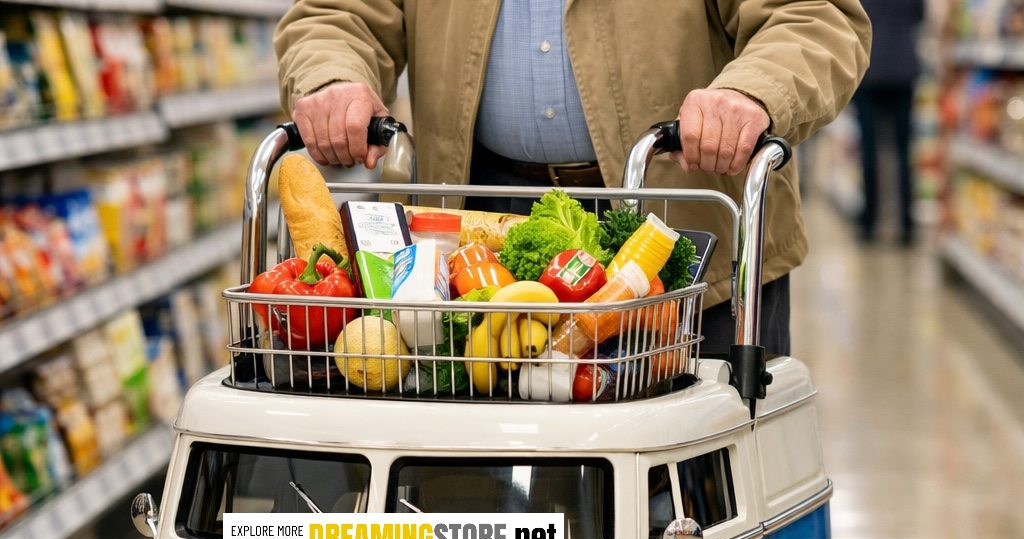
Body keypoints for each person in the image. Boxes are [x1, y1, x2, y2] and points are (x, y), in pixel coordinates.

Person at [274, 2, 871, 358]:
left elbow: (812, 17)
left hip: (684, 228)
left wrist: (751, 91)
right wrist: (330, 77)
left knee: (694, 486)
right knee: (486, 483)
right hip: (479, 228)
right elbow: (337, 14)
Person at [853, 0, 925, 244]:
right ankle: (906, 226)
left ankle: (868, 223)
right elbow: (919, 17)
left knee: (869, 152)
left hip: (869, 70)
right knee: (904, 153)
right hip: (903, 71)